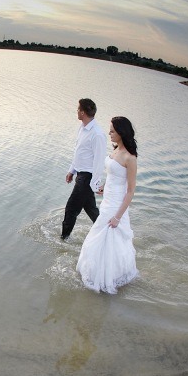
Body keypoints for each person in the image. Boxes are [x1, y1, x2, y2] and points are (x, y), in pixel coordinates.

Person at [76, 116, 139, 294]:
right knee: (99, 238)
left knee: (110, 238)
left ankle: (110, 277)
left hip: (117, 205)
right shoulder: (116, 150)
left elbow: (131, 190)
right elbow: (113, 176)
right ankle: (97, 272)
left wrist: (118, 216)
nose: (109, 133)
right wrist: (104, 186)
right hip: (107, 200)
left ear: (121, 132)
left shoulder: (130, 157)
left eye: (112, 130)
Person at [61, 98, 106, 240]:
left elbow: (99, 162)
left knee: (71, 208)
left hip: (87, 178)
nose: (76, 112)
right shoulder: (82, 128)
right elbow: (79, 152)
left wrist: (94, 183)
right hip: (81, 175)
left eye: (78, 109)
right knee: (91, 209)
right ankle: (106, 233)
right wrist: (71, 171)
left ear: (83, 112)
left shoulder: (97, 134)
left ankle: (64, 239)